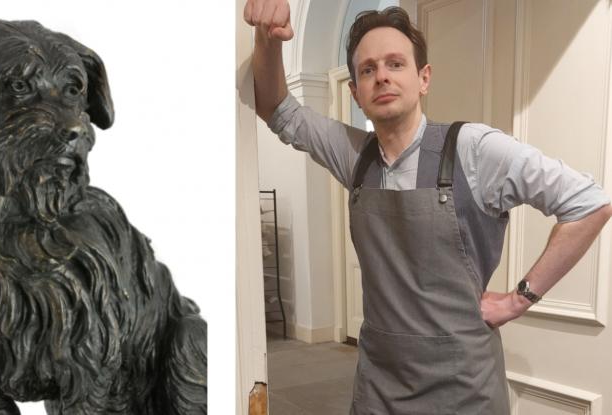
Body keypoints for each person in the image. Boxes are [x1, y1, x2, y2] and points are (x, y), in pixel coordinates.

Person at [244, 1, 612, 414]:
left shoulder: (473, 149)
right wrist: (267, 39)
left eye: (395, 64)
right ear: (355, 92)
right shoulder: (356, 157)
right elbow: (276, 108)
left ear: (423, 78)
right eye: (367, 70)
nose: (381, 75)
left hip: (464, 387)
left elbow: (588, 204)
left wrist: (517, 299)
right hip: (380, 385)